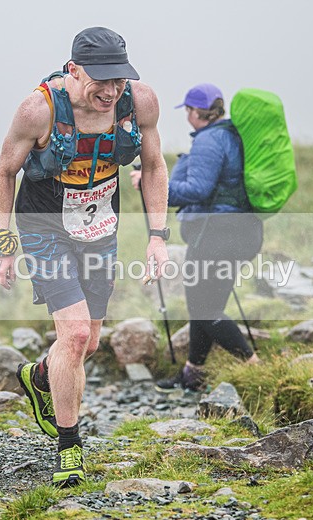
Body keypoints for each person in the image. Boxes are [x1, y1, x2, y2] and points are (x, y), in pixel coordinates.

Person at [0, 27, 169, 487]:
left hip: (100, 229)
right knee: (71, 337)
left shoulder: (140, 102)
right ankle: (70, 449)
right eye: (101, 81)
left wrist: (158, 236)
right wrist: (1, 242)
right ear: (74, 71)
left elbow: (153, 166)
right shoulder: (39, 110)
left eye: (119, 80)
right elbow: (5, 171)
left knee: (87, 344)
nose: (111, 91)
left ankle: (40, 375)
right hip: (45, 227)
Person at [132, 83, 263, 393]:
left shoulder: (208, 141)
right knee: (205, 304)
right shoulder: (231, 135)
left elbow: (197, 190)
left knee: (205, 308)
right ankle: (194, 373)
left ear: (194, 112)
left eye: (187, 111)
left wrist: (150, 184)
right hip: (241, 231)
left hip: (217, 234)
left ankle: (255, 368)